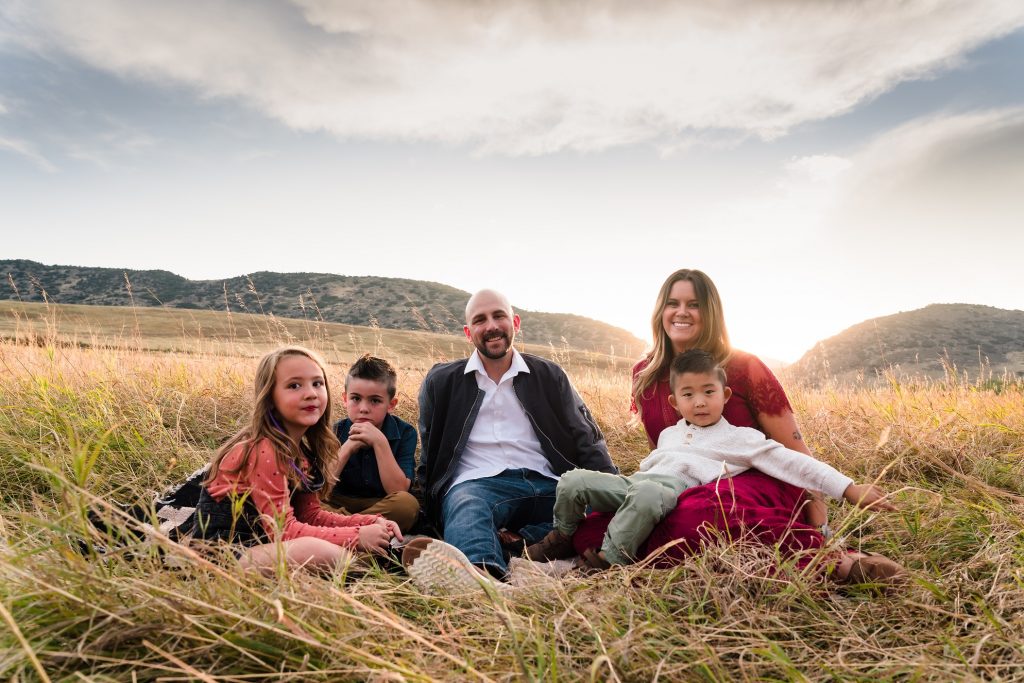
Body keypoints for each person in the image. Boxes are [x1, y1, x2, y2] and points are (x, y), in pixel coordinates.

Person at [571, 269, 900, 582]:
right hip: (683, 483)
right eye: (673, 303)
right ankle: (646, 557)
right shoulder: (645, 372)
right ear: (660, 311)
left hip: (749, 477)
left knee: (697, 517)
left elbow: (793, 448)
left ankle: (832, 562)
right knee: (595, 526)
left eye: (694, 304)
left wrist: (819, 516)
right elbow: (664, 449)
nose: (681, 312)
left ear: (710, 311)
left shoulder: (743, 366)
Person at [529, 350, 903, 581]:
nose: (701, 402)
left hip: (666, 494)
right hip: (640, 483)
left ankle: (611, 562)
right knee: (575, 481)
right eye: (689, 395)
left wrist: (849, 488)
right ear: (675, 402)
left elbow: (792, 462)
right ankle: (560, 535)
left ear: (724, 395)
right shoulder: (670, 434)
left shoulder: (740, 438)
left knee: (643, 494)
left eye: (709, 392)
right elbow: (648, 466)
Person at [414, 289, 617, 580]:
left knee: (586, 517)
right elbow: (430, 453)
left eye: (499, 316)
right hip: (478, 486)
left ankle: (514, 545)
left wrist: (609, 492)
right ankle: (487, 579)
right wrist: (430, 512)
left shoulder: (549, 375)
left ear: (516, 322)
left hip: (551, 485)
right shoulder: (442, 382)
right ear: (468, 331)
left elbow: (587, 437)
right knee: (467, 509)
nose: (492, 326)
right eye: (480, 320)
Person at [193, 346, 402, 572]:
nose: (311, 393)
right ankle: (376, 563)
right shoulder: (264, 448)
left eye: (317, 383)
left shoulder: (302, 453)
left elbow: (311, 515)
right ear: (270, 397)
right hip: (225, 553)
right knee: (316, 551)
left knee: (324, 548)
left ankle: (378, 558)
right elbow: (284, 532)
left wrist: (367, 522)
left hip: (266, 545)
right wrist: (356, 536)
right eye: (294, 385)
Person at [326, 354, 420, 533]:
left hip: (381, 504)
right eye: (355, 398)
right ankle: (364, 532)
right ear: (345, 399)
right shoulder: (335, 431)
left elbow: (398, 490)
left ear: (391, 404)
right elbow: (322, 489)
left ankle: (342, 532)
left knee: (407, 506)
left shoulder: (405, 433)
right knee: (310, 503)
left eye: (375, 401)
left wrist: (380, 442)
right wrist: (347, 448)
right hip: (338, 501)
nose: (363, 408)